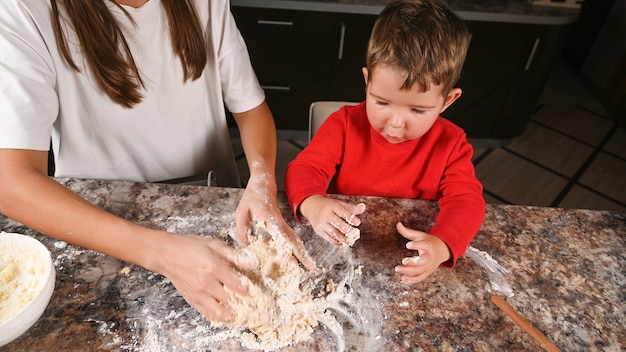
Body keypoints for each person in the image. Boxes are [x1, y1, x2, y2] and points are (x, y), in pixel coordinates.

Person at [0, 0, 314, 323]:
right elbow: (10, 181)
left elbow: (251, 109)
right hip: (96, 227)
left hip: (213, 208)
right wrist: (162, 253)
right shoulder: (26, 10)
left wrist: (262, 177)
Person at [285, 0, 485, 283]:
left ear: (447, 100)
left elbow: (467, 201)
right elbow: (304, 169)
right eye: (381, 102)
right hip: (344, 253)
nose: (395, 123)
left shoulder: (450, 144)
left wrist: (442, 245)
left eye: (417, 110)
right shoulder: (345, 125)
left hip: (406, 257)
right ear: (367, 81)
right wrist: (315, 204)